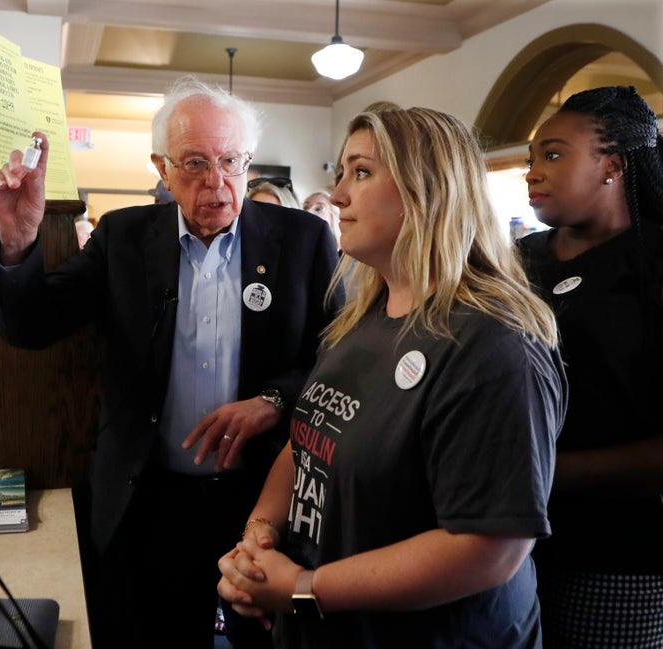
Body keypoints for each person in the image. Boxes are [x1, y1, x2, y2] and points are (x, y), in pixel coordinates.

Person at [0, 76, 341, 649]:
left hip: (261, 502)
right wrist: (17, 239)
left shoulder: (302, 240)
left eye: (231, 160)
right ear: (162, 168)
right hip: (149, 499)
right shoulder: (124, 237)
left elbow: (337, 360)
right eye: (196, 162)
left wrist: (275, 401)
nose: (217, 181)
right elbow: (32, 327)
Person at [217, 106, 568, 648]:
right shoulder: (362, 317)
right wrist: (258, 539)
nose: (337, 197)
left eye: (361, 172)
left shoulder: (493, 344)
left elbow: (488, 548)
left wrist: (306, 588)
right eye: (342, 175)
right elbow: (310, 440)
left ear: (427, 190)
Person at [519, 85, 663, 648]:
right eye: (532, 158)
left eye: (553, 154)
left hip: (614, 552)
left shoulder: (651, 265)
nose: (534, 171)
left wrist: (543, 473)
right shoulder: (519, 257)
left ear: (612, 165)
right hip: (500, 538)